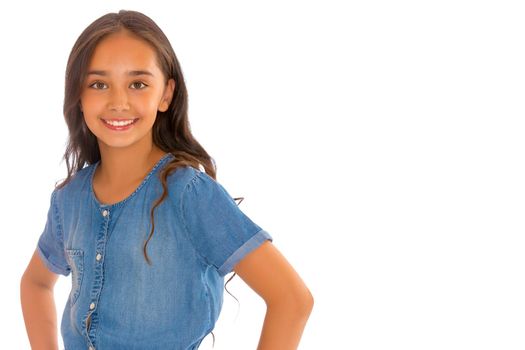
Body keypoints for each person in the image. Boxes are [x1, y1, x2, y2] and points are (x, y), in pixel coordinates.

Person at [19, 9, 313, 350]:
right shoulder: (68, 200)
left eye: (138, 84)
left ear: (166, 94)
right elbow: (35, 283)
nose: (118, 101)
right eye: (99, 84)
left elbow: (292, 299)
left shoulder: (189, 194)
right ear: (78, 95)